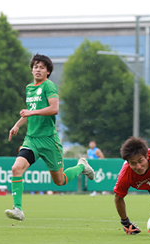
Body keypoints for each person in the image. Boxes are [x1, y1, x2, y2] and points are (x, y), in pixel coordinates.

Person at [5, 53, 95, 221]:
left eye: (42, 67)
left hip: (49, 140)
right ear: (32, 70)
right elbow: (29, 112)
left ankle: (82, 166)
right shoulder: (29, 88)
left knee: (59, 181)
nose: (37, 70)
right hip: (31, 139)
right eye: (35, 67)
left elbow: (54, 109)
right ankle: (17, 209)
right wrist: (17, 125)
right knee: (16, 168)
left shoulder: (49, 86)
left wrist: (31, 112)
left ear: (48, 72)